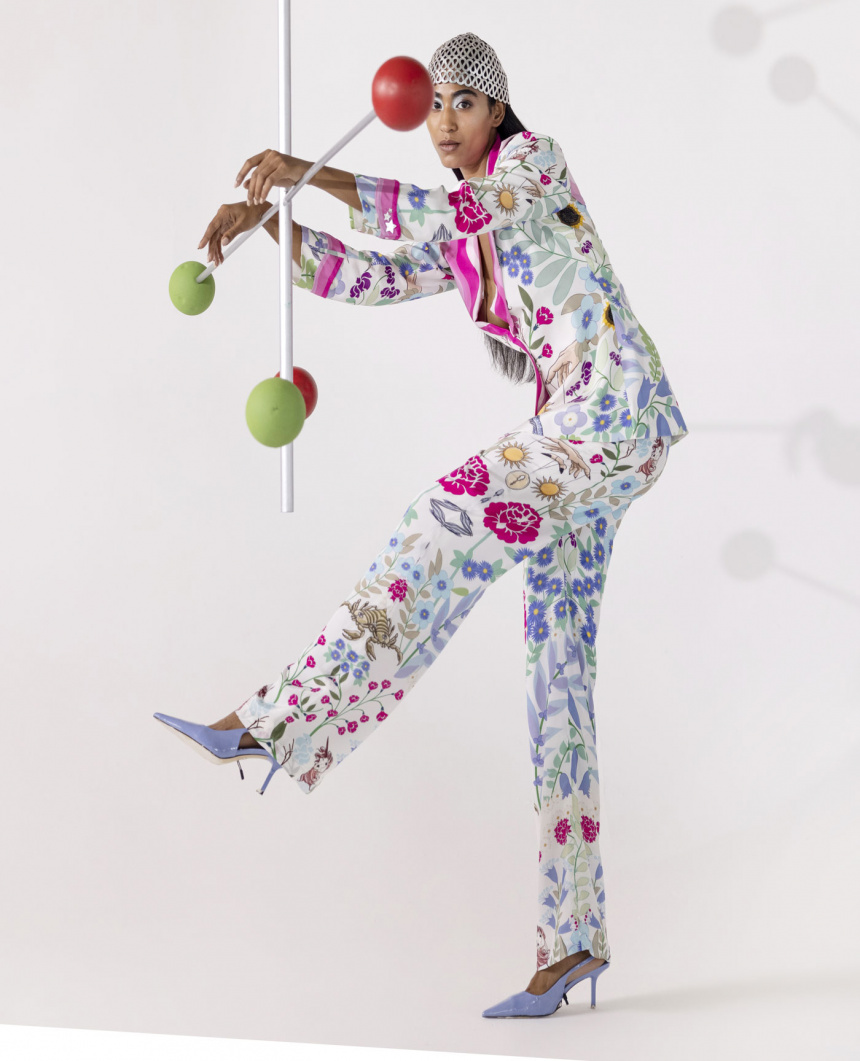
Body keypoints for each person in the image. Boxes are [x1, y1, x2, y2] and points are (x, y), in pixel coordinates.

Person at [155, 31, 689, 1019]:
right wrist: (270, 224)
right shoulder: (465, 232)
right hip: (585, 439)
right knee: (557, 681)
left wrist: (308, 174)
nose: (443, 121)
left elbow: (443, 211)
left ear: (498, 111)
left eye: (462, 103)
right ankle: (572, 939)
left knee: (444, 517)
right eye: (435, 104)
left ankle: (279, 722)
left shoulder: (532, 168)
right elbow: (373, 274)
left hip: (610, 415)